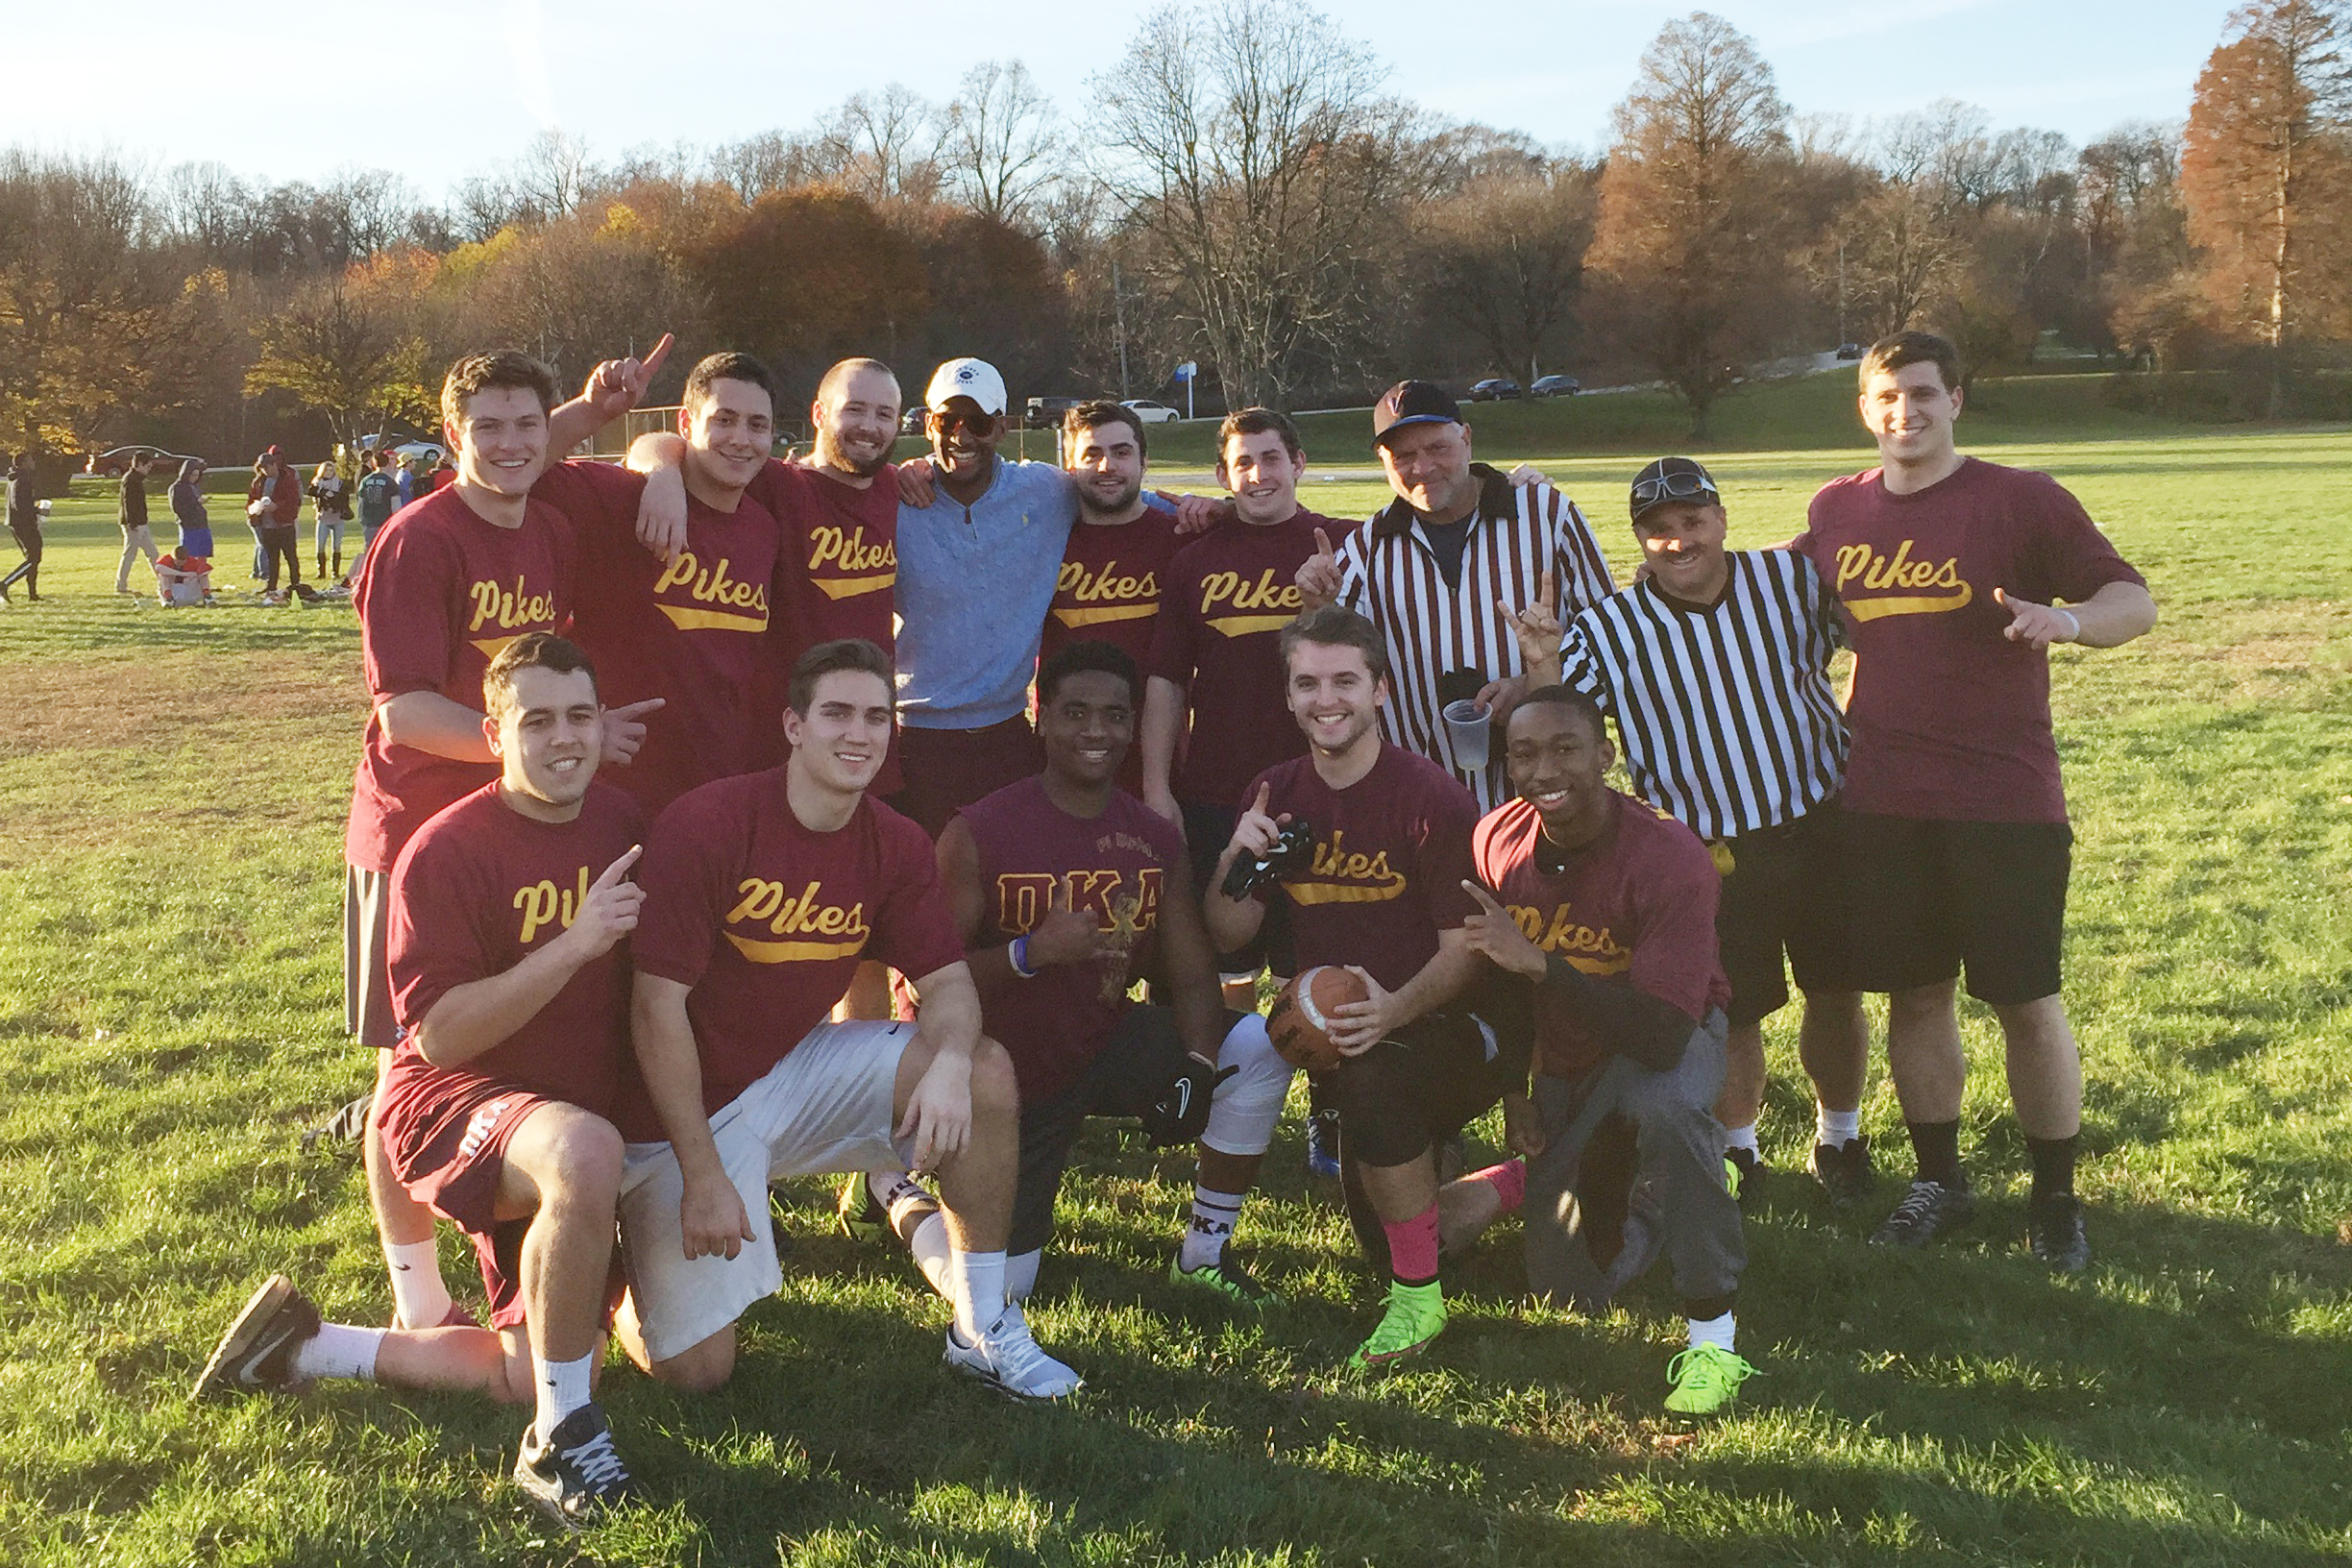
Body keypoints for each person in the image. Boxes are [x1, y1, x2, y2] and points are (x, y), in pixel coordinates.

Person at [194, 633, 648, 1527]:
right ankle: (560, 1443)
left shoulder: (626, 826)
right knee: (586, 1152)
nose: (564, 739)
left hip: (555, 1116)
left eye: (581, 717)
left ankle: (309, 1348)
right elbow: (440, 1037)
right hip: (454, 1100)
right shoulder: (446, 848)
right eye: (538, 720)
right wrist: (577, 942)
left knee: (538, 1368)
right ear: (493, 733)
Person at [618, 637, 1082, 1398]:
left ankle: (981, 1326)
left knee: (988, 1069)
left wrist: (953, 1067)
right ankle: (617, 1273)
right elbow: (653, 1012)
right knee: (698, 1373)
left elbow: (952, 986)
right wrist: (701, 1173)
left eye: (876, 717)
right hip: (683, 1105)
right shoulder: (710, 822)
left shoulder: (894, 842)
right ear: (793, 725)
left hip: (791, 1070)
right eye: (836, 713)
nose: (858, 734)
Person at [1794, 331, 2157, 1269]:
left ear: (1957, 400)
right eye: (1886, 397)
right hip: (1880, 800)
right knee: (1917, 996)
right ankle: (1939, 1181)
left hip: (2003, 799)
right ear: (1865, 409)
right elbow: (1754, 595)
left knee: (2027, 1001)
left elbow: (2134, 600)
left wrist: (2068, 621)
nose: (1903, 412)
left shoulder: (2021, 499)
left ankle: (2054, 1199)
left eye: (1922, 393)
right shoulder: (1837, 510)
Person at [343, 350, 658, 1338]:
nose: (514, 443)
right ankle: (416, 1296)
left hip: (517, 826)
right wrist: (558, 751)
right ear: (452, 439)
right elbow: (401, 712)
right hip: (412, 835)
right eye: (489, 427)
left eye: (528, 424)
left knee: (508, 1028)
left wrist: (602, 415)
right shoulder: (418, 539)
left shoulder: (547, 524)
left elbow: (553, 447)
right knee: (405, 1065)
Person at [845, 641, 1296, 1307]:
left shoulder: (1151, 837)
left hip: (1100, 1039)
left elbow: (1196, 974)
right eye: (1076, 712)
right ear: (1042, 720)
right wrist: (1030, 953)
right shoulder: (980, 831)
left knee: (1256, 1047)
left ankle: (1204, 1253)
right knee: (1002, 1293)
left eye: (1115, 716)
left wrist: (1199, 1065)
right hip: (997, 1071)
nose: (1096, 731)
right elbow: (920, 980)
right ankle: (890, 1186)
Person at [1552, 457, 1872, 1205]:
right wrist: (1535, 663)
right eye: (1659, 530)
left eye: (1692, 521)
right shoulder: (1608, 628)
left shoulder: (1788, 582)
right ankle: (1740, 1153)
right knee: (1735, 1013)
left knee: (1837, 992)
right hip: (1709, 851)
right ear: (1639, 539)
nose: (1678, 541)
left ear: (1721, 518)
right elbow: (1559, 716)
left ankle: (1840, 1135)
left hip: (1817, 821)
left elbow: (1879, 644)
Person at [1202, 606, 1503, 1370]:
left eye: (1344, 681)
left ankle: (1418, 1307)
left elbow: (1465, 948)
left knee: (1375, 1087)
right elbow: (1228, 935)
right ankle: (1538, 1173)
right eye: (1307, 683)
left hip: (1458, 1023)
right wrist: (1236, 859)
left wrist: (1392, 1010)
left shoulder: (1430, 796)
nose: (1325, 699)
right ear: (1289, 696)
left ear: (1380, 692)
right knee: (1386, 1234)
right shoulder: (1274, 790)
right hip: (1353, 1030)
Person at [1445, 686, 1757, 1417]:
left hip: (1668, 1032)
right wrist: (1520, 1092)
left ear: (1606, 757)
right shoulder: (1496, 837)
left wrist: (1545, 966)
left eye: (1566, 748)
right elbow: (1502, 983)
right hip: (1567, 1047)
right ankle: (1645, 1183)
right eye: (1524, 753)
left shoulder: (1670, 854)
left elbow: (1660, 1034)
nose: (1545, 769)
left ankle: (1714, 1335)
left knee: (1668, 1107)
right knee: (1568, 1289)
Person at [1296, 380, 1615, 810]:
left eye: (1437, 448)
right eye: (1403, 456)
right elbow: (1333, 660)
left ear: (1466, 438)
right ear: (1382, 461)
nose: (1423, 467)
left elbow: (1609, 637)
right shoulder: (1369, 544)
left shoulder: (1545, 514)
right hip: (1421, 800)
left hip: (1541, 792)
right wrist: (1318, 607)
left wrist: (1532, 684)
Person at [538, 349, 787, 817]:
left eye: (757, 425)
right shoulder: (621, 501)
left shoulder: (763, 528)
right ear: (687, 424)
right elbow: (516, 462)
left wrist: (661, 461)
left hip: (720, 792)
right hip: (617, 790)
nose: (740, 438)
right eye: (724, 419)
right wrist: (591, 411)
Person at [1038, 404, 1188, 796]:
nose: (1107, 467)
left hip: (1160, 764)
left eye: (1121, 453)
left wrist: (1221, 509)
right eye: (1092, 454)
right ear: (1069, 465)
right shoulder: (1043, 543)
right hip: (1063, 760)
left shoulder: (1182, 539)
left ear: (1144, 462)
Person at [247, 448, 304, 600]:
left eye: (267, 467)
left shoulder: (287, 480)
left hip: (284, 525)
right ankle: (271, 585)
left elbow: (293, 500)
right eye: (262, 468)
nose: (265, 471)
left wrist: (277, 506)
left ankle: (295, 583)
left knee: (290, 556)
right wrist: (254, 509)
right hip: (267, 525)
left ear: (274, 465)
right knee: (272, 557)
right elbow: (251, 500)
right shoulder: (258, 482)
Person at [116, 452, 160, 596]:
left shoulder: (136, 479)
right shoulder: (130, 480)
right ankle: (120, 585)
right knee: (130, 554)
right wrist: (132, 523)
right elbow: (128, 503)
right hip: (134, 524)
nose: (149, 469)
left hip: (141, 523)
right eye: (147, 466)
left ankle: (163, 580)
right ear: (140, 464)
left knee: (153, 553)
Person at [3, 452, 42, 603]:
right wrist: (38, 510)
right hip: (23, 523)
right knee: (34, 558)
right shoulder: (22, 480)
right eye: (31, 459)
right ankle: (5, 584)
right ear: (23, 463)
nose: (33, 462)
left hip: (18, 522)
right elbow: (19, 505)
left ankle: (32, 594)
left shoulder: (15, 479)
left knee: (33, 558)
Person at [311, 453, 353, 582]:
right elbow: (310, 491)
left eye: (331, 470)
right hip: (323, 516)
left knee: (336, 545)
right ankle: (321, 572)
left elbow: (343, 498)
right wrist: (323, 492)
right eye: (327, 470)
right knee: (320, 545)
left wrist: (332, 496)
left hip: (337, 517)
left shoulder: (339, 484)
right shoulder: (317, 483)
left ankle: (335, 572)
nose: (329, 472)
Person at [356, 448, 401, 565]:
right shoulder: (390, 483)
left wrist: (361, 518)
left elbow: (361, 502)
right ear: (387, 463)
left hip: (369, 520)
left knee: (370, 550)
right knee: (387, 551)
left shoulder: (365, 481)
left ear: (374, 464)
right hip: (385, 522)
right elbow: (396, 506)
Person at [169, 458, 213, 561]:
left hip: (202, 524)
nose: (195, 478)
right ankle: (189, 576)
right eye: (193, 475)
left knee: (203, 555)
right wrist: (197, 502)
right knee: (189, 556)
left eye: (197, 475)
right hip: (189, 526)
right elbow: (177, 508)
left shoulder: (194, 487)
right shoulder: (176, 487)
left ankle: (201, 575)